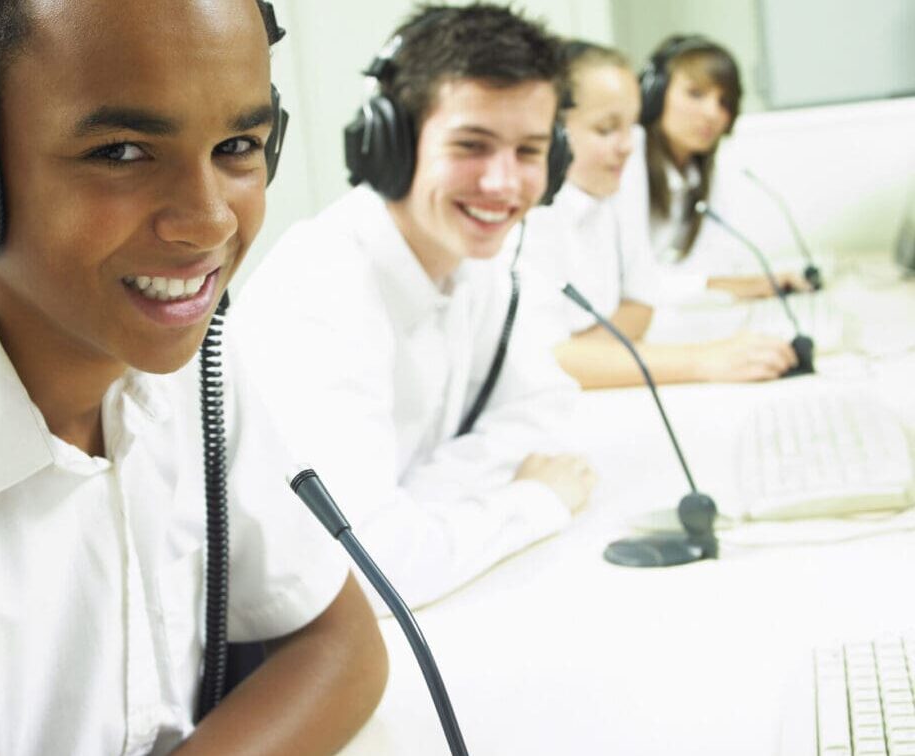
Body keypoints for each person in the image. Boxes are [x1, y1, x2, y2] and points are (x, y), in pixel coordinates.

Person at [0, 1, 387, 754]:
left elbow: (341, 644)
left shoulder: (191, 371)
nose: (210, 221)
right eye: (122, 153)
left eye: (237, 145)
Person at [231, 4, 595, 610]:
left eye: (529, 151)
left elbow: (546, 407)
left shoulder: (477, 266)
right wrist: (535, 500)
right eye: (471, 145)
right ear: (390, 143)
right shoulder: (320, 287)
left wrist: (422, 503)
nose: (503, 183)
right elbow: (369, 568)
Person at [519, 41, 800, 388]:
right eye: (605, 130)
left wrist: (588, 356)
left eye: (631, 127)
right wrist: (703, 360)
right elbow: (548, 360)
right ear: (552, 135)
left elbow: (641, 307)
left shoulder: (608, 198)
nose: (628, 147)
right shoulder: (530, 219)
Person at [626, 34, 811, 297]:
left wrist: (751, 283)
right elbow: (631, 283)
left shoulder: (696, 170)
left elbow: (713, 257)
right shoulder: (627, 159)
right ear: (654, 94)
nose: (713, 113)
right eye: (696, 94)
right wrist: (728, 287)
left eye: (724, 102)